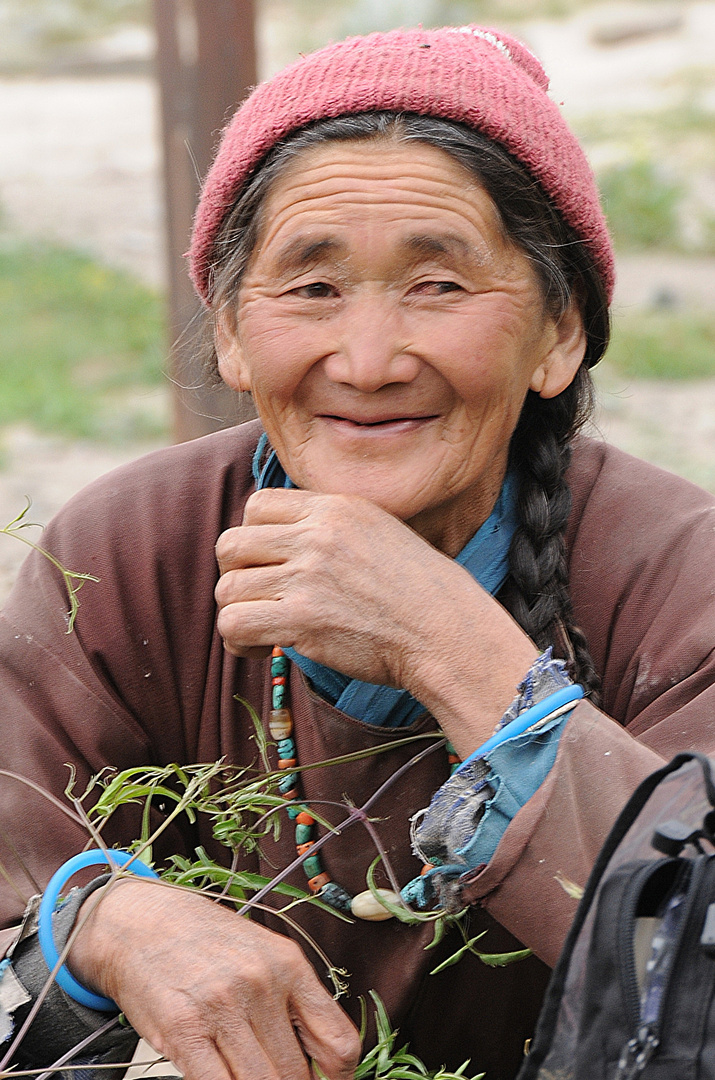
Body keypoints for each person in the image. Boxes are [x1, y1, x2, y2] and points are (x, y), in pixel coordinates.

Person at [1, 22, 714, 1080]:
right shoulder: (129, 551)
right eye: (311, 287)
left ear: (560, 333)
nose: (369, 361)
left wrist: (451, 650)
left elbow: (692, 978)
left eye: (439, 286)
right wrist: (102, 919)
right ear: (233, 334)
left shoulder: (675, 580)